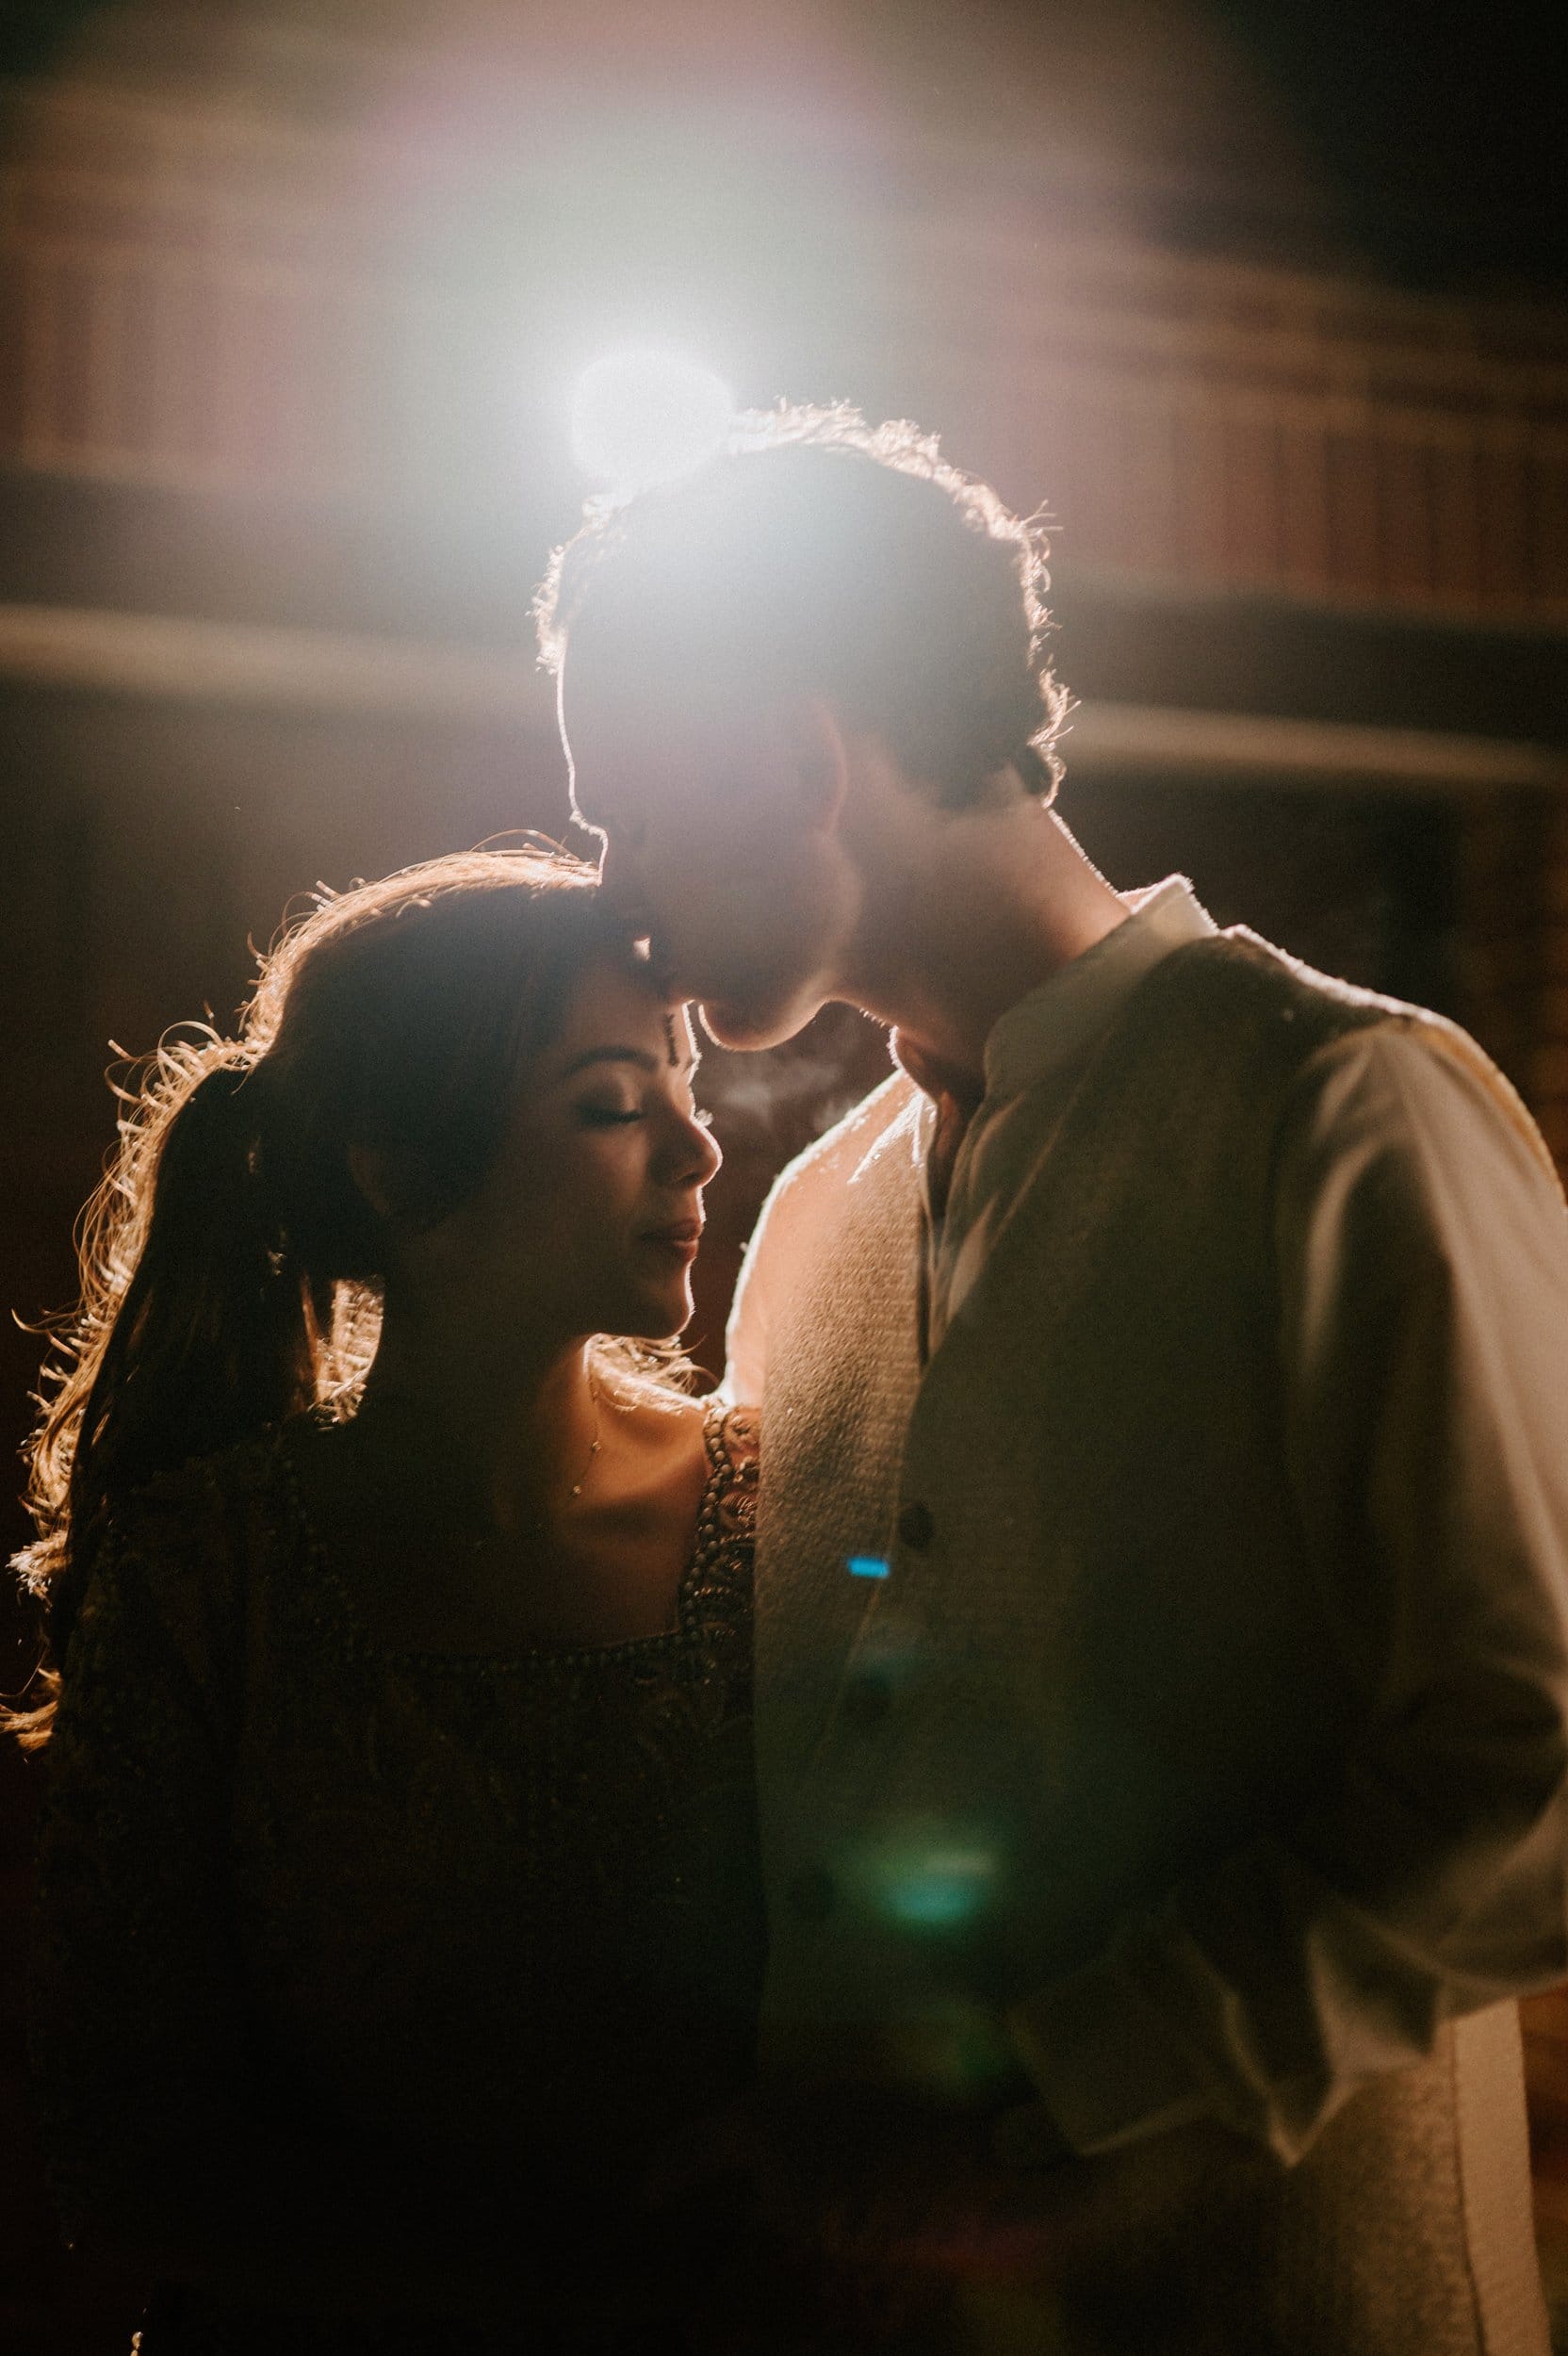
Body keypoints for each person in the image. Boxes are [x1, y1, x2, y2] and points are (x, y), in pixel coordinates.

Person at [536, 405, 1568, 2353]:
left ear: (794, 750)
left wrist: (1047, 2076)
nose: (621, 892)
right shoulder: (812, 1223)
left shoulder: (1341, 1114)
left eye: (631, 810)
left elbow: (1534, 1773)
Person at [11, 845, 762, 2354]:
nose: (698, 1151)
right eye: (614, 1101)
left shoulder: (774, 1514)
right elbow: (115, 2143)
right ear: (399, 1167)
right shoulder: (208, 1565)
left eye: (685, 1087)